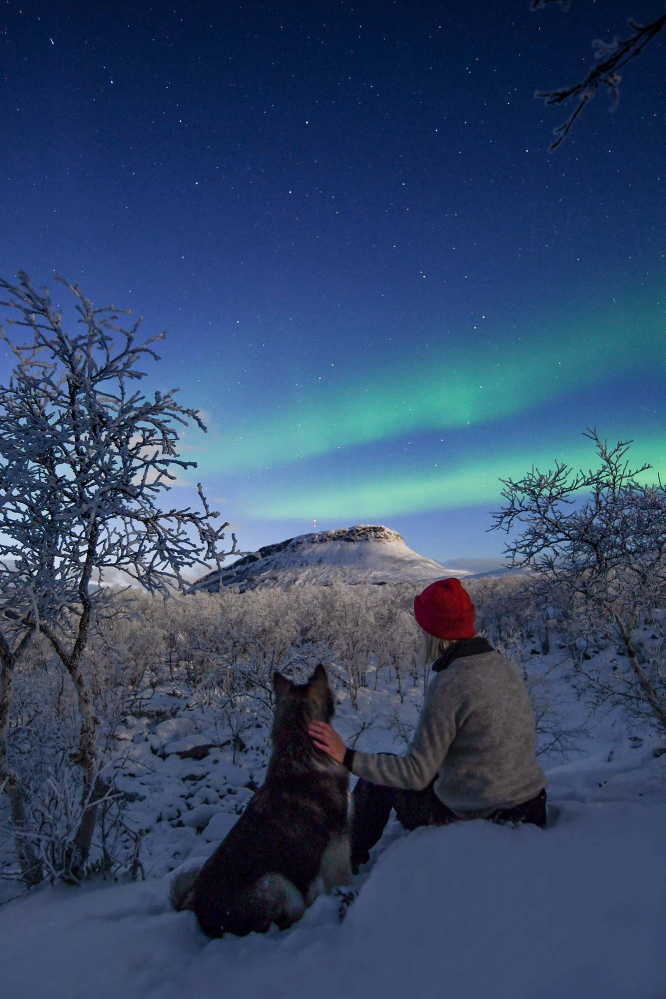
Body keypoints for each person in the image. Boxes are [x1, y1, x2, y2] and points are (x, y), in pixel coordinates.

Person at [309, 577, 547, 870]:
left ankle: (341, 865)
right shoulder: (500, 665)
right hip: (531, 805)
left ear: (435, 632)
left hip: (484, 816)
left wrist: (346, 756)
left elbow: (415, 775)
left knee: (377, 779)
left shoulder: (451, 682)